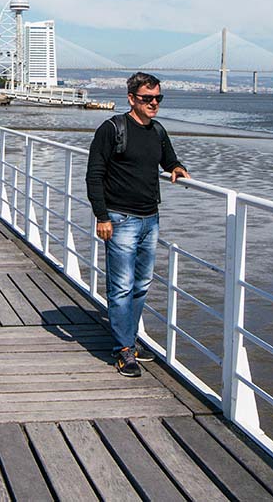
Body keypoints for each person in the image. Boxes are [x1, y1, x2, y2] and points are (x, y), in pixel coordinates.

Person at [85, 71, 189, 377]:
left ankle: (127, 339)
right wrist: (102, 217)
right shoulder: (112, 129)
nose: (154, 103)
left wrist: (178, 168)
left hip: (150, 219)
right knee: (120, 287)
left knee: (142, 285)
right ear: (132, 99)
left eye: (158, 98)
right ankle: (123, 350)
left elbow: (169, 161)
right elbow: (94, 175)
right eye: (147, 98)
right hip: (120, 219)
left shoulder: (157, 131)